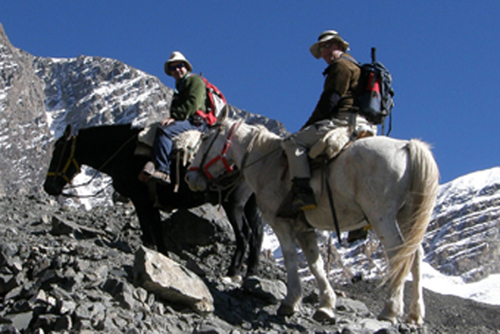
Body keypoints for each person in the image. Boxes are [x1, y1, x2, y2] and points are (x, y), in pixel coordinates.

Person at [277, 30, 376, 218]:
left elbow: (329, 103)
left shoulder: (340, 67)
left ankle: (303, 194)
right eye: (322, 48)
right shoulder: (357, 66)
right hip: (365, 122)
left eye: (328, 45)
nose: (324, 51)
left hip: (343, 120)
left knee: (292, 143)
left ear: (339, 45)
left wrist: (306, 128)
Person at [139, 51, 208, 184]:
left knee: (165, 131)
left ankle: (163, 170)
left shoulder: (194, 81)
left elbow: (193, 103)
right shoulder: (180, 86)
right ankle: (153, 162)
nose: (177, 69)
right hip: (188, 120)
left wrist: (176, 117)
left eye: (180, 65)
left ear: (186, 67)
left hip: (196, 121)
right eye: (173, 68)